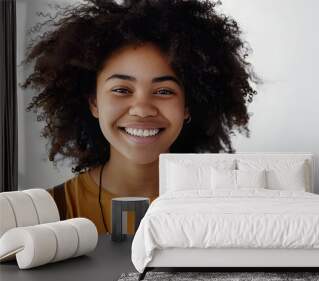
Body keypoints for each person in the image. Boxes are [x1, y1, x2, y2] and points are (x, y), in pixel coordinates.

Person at [22, 0, 259, 233]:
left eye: (164, 91)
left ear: (188, 106)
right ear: (94, 102)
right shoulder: (47, 213)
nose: (143, 109)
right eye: (121, 90)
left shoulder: (224, 208)